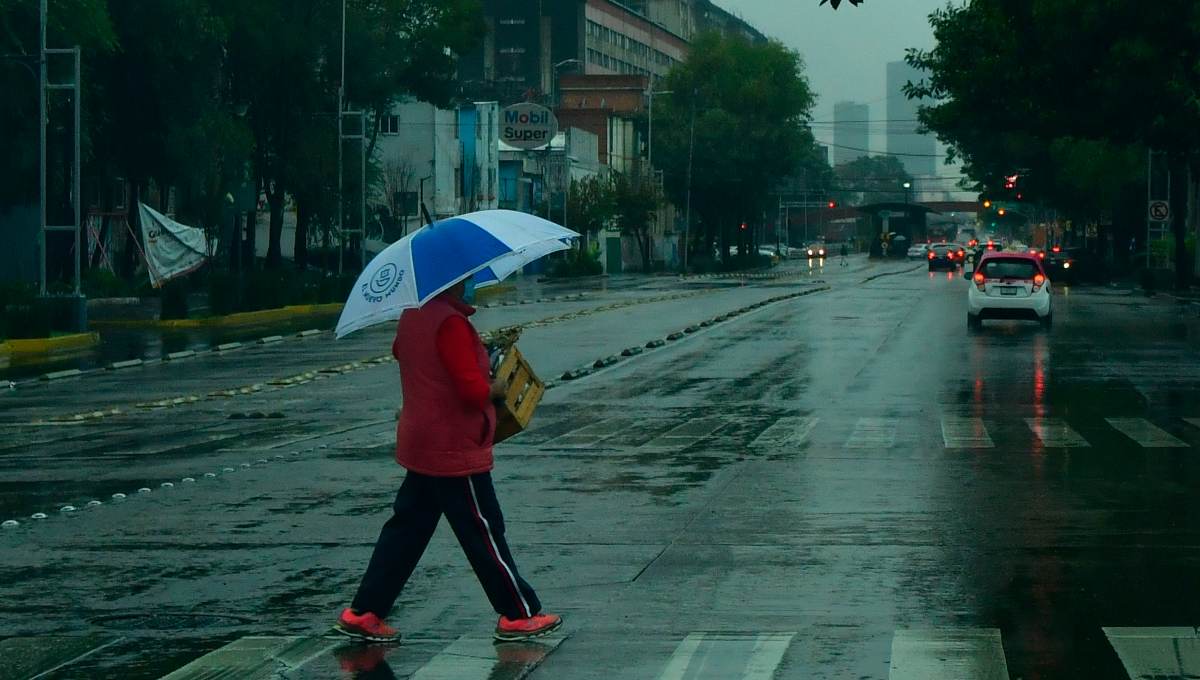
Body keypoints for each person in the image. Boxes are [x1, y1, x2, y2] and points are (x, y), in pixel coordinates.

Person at [334, 278, 562, 644]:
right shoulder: (451, 322)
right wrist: (496, 387)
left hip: (421, 441)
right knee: (483, 530)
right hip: (453, 446)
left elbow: (402, 351)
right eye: (467, 279)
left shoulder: (414, 314)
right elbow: (473, 392)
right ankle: (519, 615)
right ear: (454, 282)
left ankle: (364, 612)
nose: (471, 284)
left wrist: (469, 350)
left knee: (405, 531)